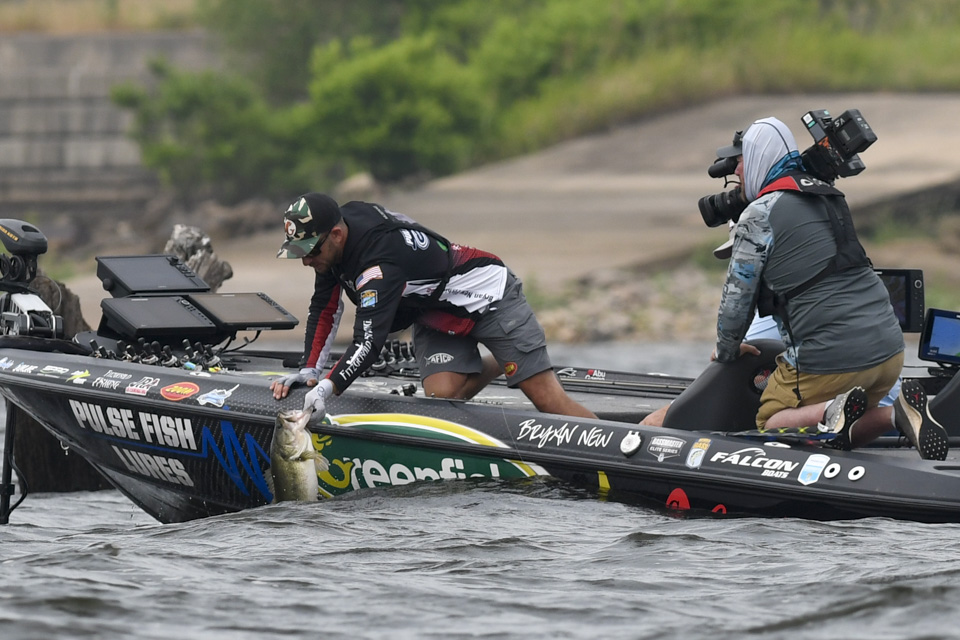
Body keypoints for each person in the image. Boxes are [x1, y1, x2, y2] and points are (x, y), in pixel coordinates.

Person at [709, 116, 947, 460]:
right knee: (843, 424)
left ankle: (830, 409)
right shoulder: (830, 195)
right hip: (890, 354)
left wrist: (727, 351)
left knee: (769, 419)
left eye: (741, 161)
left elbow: (736, 301)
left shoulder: (759, 214)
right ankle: (895, 414)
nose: (737, 172)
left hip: (831, 362)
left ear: (759, 157)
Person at [270, 192, 597, 421]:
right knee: (443, 396)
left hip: (488, 296)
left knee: (547, 401)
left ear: (337, 234)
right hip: (434, 310)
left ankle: (624, 447)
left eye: (310, 252)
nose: (306, 261)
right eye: (301, 253)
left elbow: (368, 342)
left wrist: (327, 389)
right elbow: (325, 309)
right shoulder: (334, 241)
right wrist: (309, 371)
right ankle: (502, 360)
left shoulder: (379, 263)